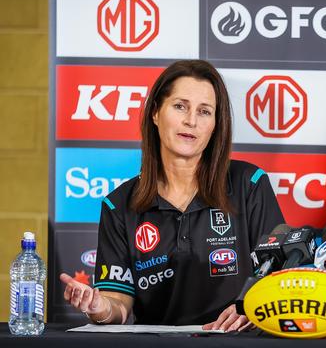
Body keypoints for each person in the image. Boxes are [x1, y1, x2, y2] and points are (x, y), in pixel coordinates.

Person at [59, 60, 284, 331]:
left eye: (204, 111)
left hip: (236, 345)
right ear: (155, 113)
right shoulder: (118, 205)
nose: (191, 120)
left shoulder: (250, 184)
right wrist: (99, 307)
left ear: (216, 124)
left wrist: (253, 306)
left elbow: (279, 278)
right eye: (180, 106)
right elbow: (116, 303)